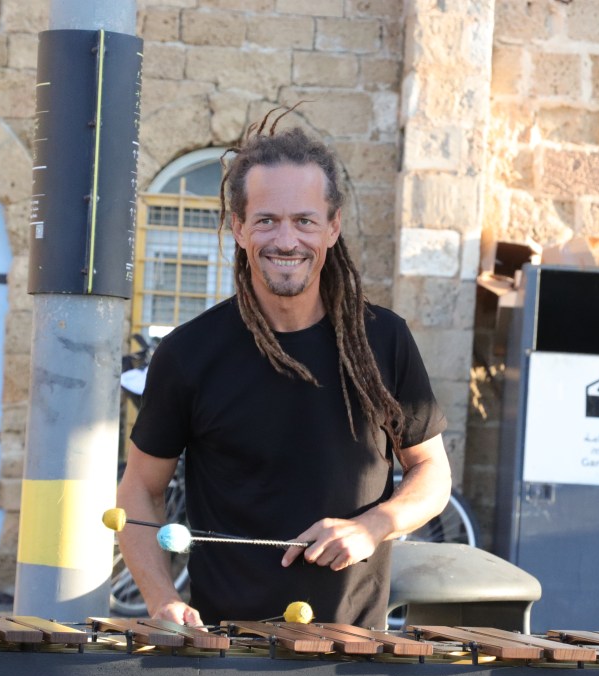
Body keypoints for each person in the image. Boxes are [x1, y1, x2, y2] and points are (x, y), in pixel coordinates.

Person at [116, 111, 451, 629]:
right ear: (239, 228)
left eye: (305, 221)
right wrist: (162, 600)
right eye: (267, 220)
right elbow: (140, 489)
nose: (286, 240)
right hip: (226, 650)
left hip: (354, 650)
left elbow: (431, 472)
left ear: (333, 227)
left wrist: (374, 525)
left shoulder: (384, 340)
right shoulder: (188, 354)